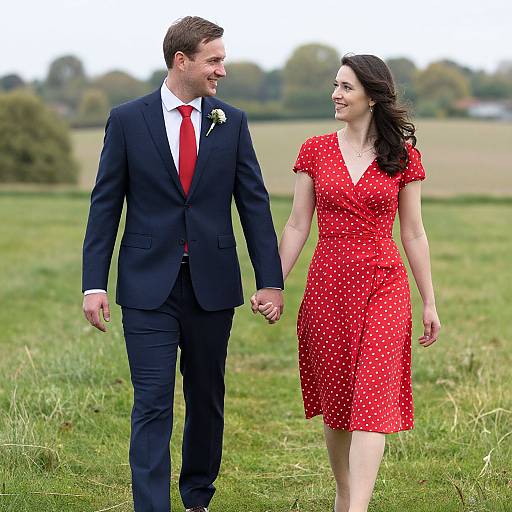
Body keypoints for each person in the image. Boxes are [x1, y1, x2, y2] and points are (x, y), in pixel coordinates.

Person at [82, 16, 283, 512]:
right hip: (147, 285)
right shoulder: (128, 119)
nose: (223, 69)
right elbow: (106, 204)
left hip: (212, 286)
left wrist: (271, 280)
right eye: (214, 59)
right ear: (182, 60)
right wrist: (94, 284)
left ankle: (197, 498)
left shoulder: (231, 121)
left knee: (206, 398)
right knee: (152, 401)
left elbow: (253, 204)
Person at [252, 54, 441, 511]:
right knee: (338, 406)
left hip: (384, 284)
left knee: (372, 402)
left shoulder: (403, 157)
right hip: (328, 287)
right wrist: (273, 283)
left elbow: (413, 231)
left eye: (345, 87)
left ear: (372, 97)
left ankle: (357, 508)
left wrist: (429, 301)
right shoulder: (314, 149)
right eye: (336, 85)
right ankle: (344, 493)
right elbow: (297, 225)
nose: (335, 94)